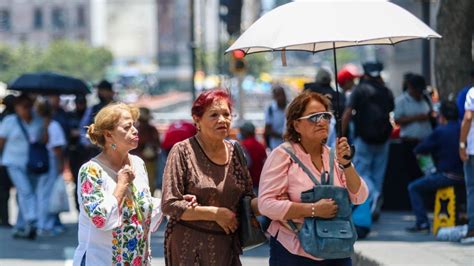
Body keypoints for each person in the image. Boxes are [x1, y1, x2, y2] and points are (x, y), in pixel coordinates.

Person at [258, 91, 368, 265]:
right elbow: (266, 205)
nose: (322, 121)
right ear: (296, 125)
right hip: (293, 250)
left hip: (336, 248)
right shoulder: (282, 156)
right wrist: (313, 209)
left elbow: (360, 196)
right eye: (314, 117)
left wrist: (346, 164)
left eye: (325, 116)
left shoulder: (335, 155)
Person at [161, 89, 258, 266]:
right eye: (214, 115)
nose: (222, 120)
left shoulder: (235, 151)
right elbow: (169, 204)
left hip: (226, 246)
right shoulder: (182, 151)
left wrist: (272, 202)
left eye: (226, 114)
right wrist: (215, 214)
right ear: (197, 120)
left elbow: (247, 197)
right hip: (189, 248)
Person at [73, 103, 166, 265]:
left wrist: (171, 201)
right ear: (109, 135)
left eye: (134, 125)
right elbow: (100, 218)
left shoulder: (137, 163)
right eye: (127, 127)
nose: (135, 130)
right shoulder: (91, 171)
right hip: (101, 260)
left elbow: (143, 205)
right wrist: (121, 185)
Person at [342, 61, 394, 223]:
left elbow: (347, 113)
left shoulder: (359, 90)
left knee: (362, 174)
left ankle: (373, 196)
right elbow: (392, 111)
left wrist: (342, 135)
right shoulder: (386, 91)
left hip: (363, 140)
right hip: (384, 139)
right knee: (378, 175)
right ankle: (373, 203)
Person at [406, 101, 464, 233]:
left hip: (447, 176)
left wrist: (429, 168)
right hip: (465, 176)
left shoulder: (440, 131)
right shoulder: (464, 128)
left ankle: (422, 224)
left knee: (413, 187)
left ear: (442, 116)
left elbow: (419, 150)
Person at [0, 94, 47, 239]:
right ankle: (32, 219)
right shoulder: (9, 121)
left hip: (32, 164)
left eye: (28, 106)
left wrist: (46, 124)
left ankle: (21, 226)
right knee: (25, 191)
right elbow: (1, 141)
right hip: (13, 162)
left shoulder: (38, 121)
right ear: (17, 108)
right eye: (23, 106)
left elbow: (44, 141)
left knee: (26, 193)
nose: (26, 109)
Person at [36, 100, 67, 236]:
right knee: (48, 194)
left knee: (41, 193)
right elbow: (57, 148)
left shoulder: (38, 125)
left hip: (39, 161)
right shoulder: (53, 126)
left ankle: (42, 223)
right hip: (51, 161)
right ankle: (46, 224)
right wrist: (61, 164)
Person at [394, 74, 434, 175]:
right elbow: (397, 120)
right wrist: (416, 118)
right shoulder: (401, 101)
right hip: (410, 142)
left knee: (429, 171)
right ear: (411, 88)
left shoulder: (426, 98)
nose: (419, 94)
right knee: (413, 172)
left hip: (426, 141)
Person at [79, 80, 116, 159]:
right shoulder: (93, 108)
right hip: (96, 150)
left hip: (115, 149)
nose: (100, 93)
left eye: (103, 90)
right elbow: (83, 126)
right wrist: (86, 142)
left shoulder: (118, 108)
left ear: (110, 92)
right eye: (99, 90)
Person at [67, 95, 90, 210]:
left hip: (88, 153)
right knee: (78, 182)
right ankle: (79, 208)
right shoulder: (71, 116)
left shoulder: (90, 115)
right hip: (75, 153)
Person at [130, 107, 160, 195]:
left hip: (149, 161)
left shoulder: (151, 129)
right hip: (137, 161)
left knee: (149, 183)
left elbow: (157, 144)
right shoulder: (136, 129)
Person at [459, 87, 474, 244]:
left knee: (472, 189)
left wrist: (462, 144)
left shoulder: (472, 93)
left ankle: (472, 229)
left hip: (473, 150)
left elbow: (468, 117)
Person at [0, 95, 15, 227]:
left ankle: (4, 219)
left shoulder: (4, 117)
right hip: (7, 159)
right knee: (5, 192)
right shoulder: (11, 119)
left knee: (4, 192)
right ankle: (5, 219)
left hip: (6, 159)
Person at [238, 121, 267, 191]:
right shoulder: (260, 145)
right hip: (260, 182)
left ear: (245, 132)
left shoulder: (243, 145)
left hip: (249, 184)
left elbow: (245, 165)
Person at [264, 85, 287, 150]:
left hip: (290, 146)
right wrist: (283, 136)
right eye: (278, 95)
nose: (281, 97)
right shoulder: (270, 109)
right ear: (274, 97)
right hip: (275, 146)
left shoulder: (290, 107)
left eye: (282, 94)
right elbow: (268, 130)